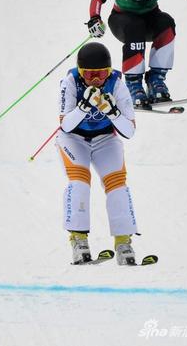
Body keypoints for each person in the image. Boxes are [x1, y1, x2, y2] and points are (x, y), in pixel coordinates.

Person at [55, 42, 139, 265]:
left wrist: (112, 112)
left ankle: (124, 242)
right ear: (81, 72)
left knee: (117, 185)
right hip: (74, 139)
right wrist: (83, 107)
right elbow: (66, 125)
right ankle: (79, 240)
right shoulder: (70, 81)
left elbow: (129, 130)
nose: (96, 79)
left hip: (104, 138)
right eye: (90, 74)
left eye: (102, 73)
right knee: (80, 182)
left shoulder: (117, 83)